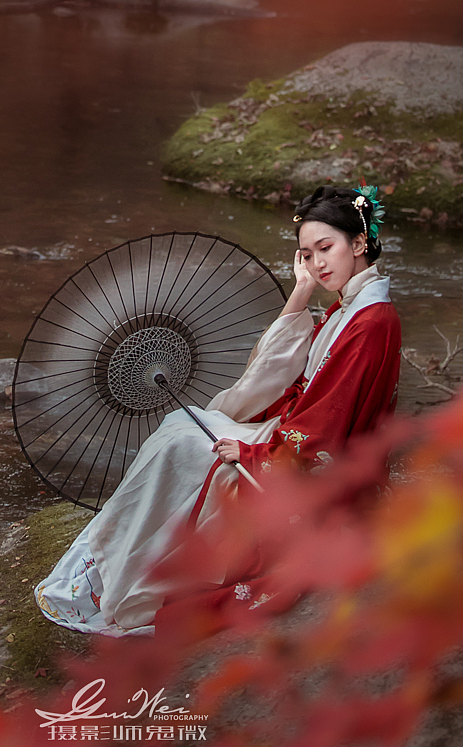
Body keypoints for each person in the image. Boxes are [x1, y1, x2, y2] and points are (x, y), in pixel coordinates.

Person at [33, 184, 402, 637]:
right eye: (307, 255)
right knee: (179, 426)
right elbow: (288, 378)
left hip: (319, 462)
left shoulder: (372, 320)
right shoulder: (350, 308)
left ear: (359, 243)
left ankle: (125, 578)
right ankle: (106, 567)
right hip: (294, 429)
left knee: (189, 449)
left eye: (325, 249)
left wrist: (254, 454)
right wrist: (302, 290)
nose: (317, 263)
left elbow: (329, 421)